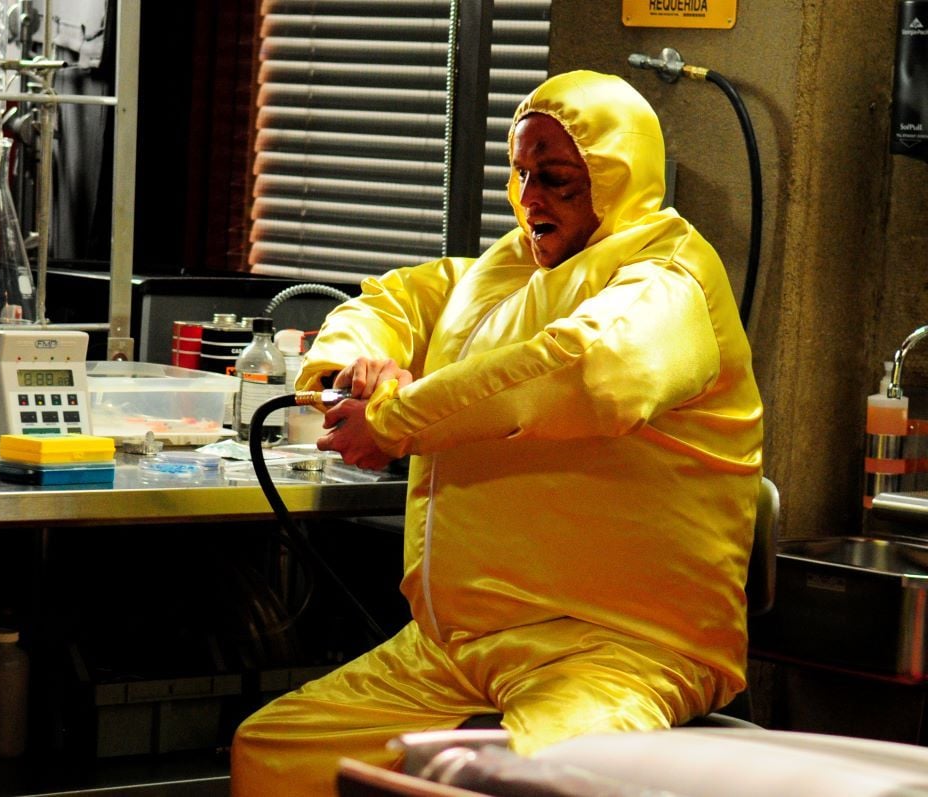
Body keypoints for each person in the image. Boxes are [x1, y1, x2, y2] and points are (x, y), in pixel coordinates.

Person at [230, 69, 764, 797]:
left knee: (539, 782)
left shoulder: (669, 281)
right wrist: (354, 368)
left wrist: (395, 423)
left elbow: (585, 371)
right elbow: (395, 301)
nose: (531, 197)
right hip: (455, 646)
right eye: (520, 174)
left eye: (557, 178)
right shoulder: (506, 268)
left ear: (618, 177)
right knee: (276, 750)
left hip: (617, 647)